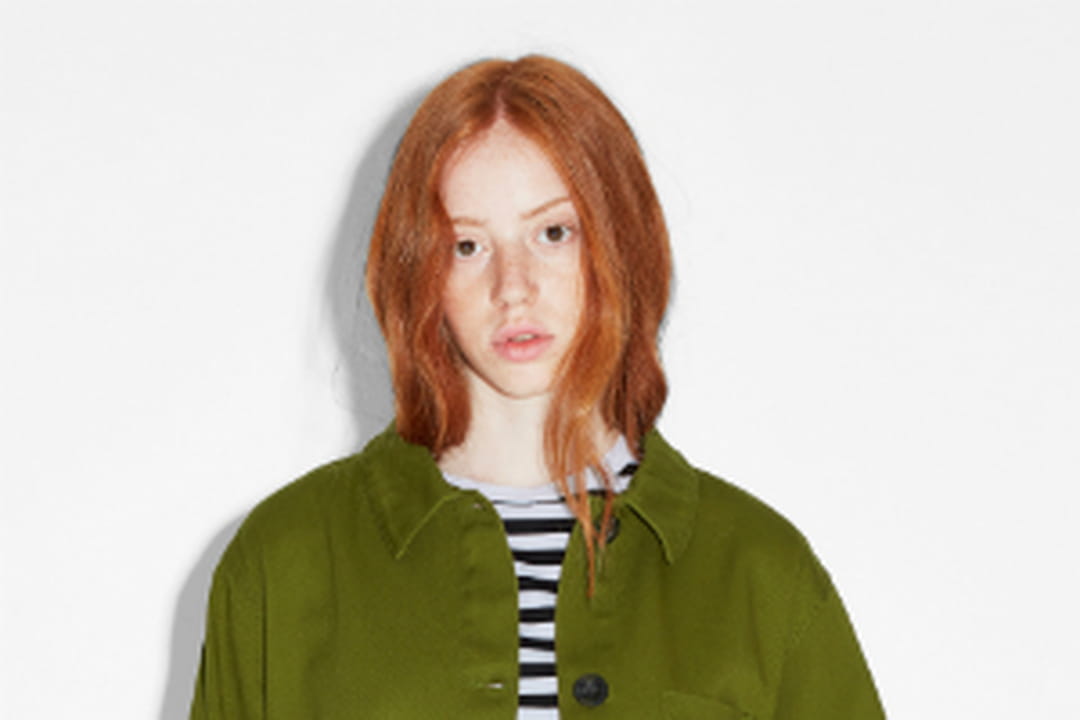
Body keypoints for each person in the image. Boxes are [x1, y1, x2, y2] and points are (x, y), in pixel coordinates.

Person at [189, 55, 885, 719]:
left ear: (620, 243)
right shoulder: (287, 562)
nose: (512, 287)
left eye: (554, 233)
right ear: (419, 272)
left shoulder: (759, 572)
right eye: (467, 246)